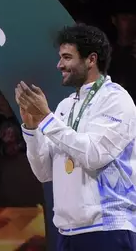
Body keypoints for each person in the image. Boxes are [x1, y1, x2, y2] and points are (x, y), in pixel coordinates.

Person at [16, 23, 136, 251]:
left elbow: (93, 155)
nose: (59, 64)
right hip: (68, 232)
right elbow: (44, 173)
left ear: (91, 60)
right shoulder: (64, 107)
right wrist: (32, 130)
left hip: (108, 228)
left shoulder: (116, 100)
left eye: (67, 57)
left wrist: (47, 119)